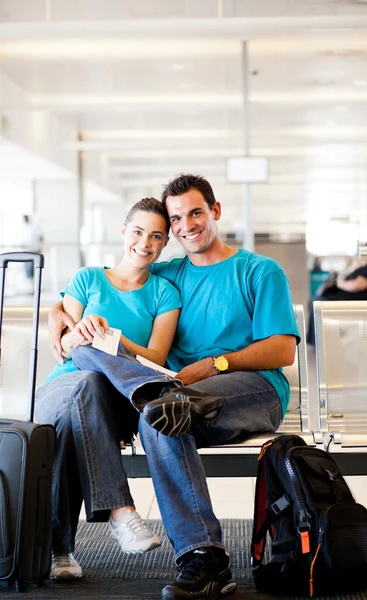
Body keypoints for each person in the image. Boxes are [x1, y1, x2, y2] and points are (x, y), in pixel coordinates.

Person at [49, 174, 299, 599]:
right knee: (159, 412)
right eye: (177, 218)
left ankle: (157, 397)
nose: (186, 225)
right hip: (175, 393)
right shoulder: (166, 275)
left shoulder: (258, 270)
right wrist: (60, 316)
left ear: (215, 212)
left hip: (251, 388)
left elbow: (281, 350)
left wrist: (217, 363)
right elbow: (94, 288)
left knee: (168, 405)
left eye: (196, 213)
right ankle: (204, 557)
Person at [35, 198, 182, 580]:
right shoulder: (88, 279)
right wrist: (82, 333)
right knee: (82, 384)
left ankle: (59, 552)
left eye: (155, 236)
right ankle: (120, 512)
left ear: (164, 243)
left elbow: (156, 356)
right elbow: (66, 345)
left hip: (117, 397)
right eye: (137, 232)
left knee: (80, 409)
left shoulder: (165, 293)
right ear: (123, 232)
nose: (144, 243)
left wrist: (111, 338)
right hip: (65, 384)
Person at [307, 257, 367, 345]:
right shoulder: (358, 268)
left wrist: (339, 283)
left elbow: (358, 285)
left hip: (352, 299)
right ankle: (315, 341)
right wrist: (354, 267)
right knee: (314, 301)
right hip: (341, 296)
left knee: (318, 303)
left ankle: (319, 342)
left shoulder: (365, 271)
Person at [21, 214, 44, 282]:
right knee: (29, 270)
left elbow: (41, 238)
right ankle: (32, 286)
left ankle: (34, 287)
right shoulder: (24, 228)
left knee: (36, 269)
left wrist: (40, 247)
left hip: (35, 251)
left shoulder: (34, 227)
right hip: (27, 251)